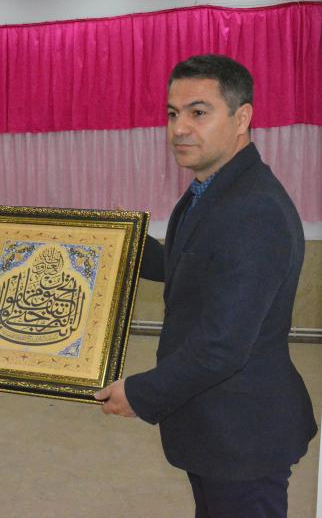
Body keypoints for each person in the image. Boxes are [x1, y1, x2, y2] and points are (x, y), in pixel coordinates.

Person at [95, 55, 317, 517]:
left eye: (199, 112)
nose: (179, 128)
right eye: (172, 113)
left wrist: (140, 393)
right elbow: (189, 265)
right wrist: (120, 243)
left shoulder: (252, 207)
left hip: (242, 435)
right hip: (217, 427)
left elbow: (222, 345)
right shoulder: (211, 190)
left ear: (242, 118)